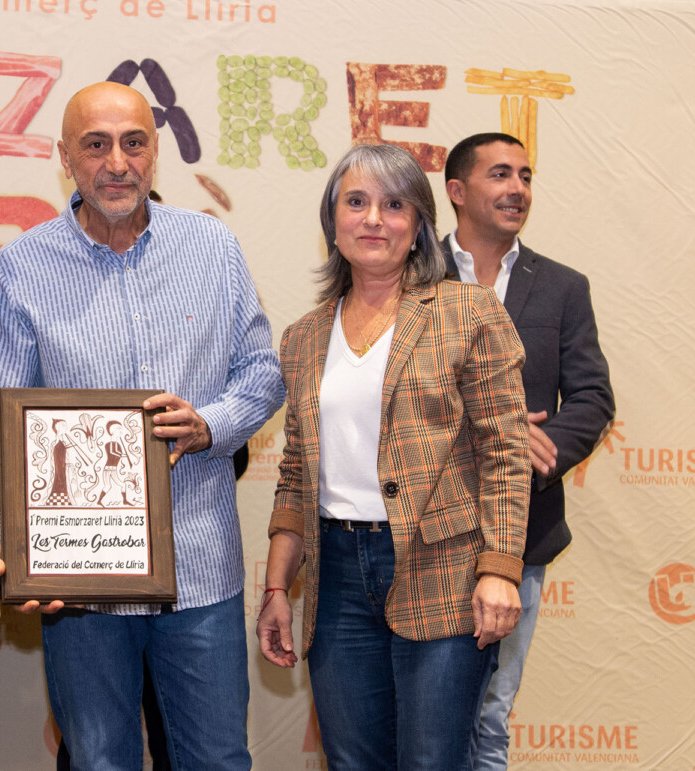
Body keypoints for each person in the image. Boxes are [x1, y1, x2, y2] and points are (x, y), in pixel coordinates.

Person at [0, 81, 283, 770]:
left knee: (217, 761)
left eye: (134, 143)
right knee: (98, 762)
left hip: (199, 572)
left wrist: (211, 424)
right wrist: (18, 541)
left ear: (155, 152)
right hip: (80, 584)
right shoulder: (19, 269)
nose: (117, 163)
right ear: (65, 159)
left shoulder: (212, 248)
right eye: (96, 145)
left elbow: (262, 373)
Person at [256, 142, 530, 770]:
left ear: (419, 225)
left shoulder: (467, 312)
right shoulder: (303, 339)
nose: (374, 219)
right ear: (333, 222)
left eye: (395, 204)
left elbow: (505, 453)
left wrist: (500, 567)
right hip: (336, 577)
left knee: (433, 760)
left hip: (445, 570)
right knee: (352, 762)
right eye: (356, 202)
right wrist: (276, 586)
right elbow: (296, 475)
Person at [441, 133, 614, 771]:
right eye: (500, 174)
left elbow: (592, 398)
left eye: (526, 175)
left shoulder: (563, 287)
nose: (518, 188)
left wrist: (537, 452)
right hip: (421, 532)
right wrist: (498, 433)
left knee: (490, 714)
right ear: (457, 191)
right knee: (421, 715)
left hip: (522, 532)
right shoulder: (410, 275)